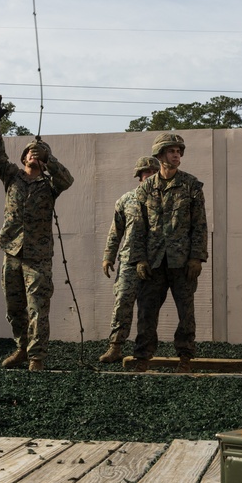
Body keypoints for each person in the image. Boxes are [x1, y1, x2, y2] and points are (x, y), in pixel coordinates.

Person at [0, 95, 74, 371]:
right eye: (30, 153)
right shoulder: (12, 176)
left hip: (38, 256)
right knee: (15, 308)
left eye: (39, 154)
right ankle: (21, 349)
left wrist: (49, 159)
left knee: (37, 308)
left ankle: (37, 357)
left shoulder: (50, 185)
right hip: (12, 250)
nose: (34, 155)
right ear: (23, 158)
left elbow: (67, 180)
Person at [129, 132, 208, 373]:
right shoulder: (145, 189)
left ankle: (185, 357)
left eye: (178, 151)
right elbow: (138, 227)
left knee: (186, 312)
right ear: (161, 155)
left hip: (182, 261)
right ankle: (142, 357)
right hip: (153, 261)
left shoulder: (191, 185)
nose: (176, 155)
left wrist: (197, 257)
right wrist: (139, 259)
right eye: (172, 151)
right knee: (146, 311)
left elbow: (200, 225)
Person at [99, 156, 161, 364]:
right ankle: (115, 346)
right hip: (129, 261)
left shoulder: (166, 200)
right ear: (139, 176)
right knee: (123, 302)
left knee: (148, 307)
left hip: (155, 262)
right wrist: (108, 256)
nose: (150, 175)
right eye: (146, 172)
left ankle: (145, 350)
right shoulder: (126, 200)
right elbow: (115, 230)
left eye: (154, 171)